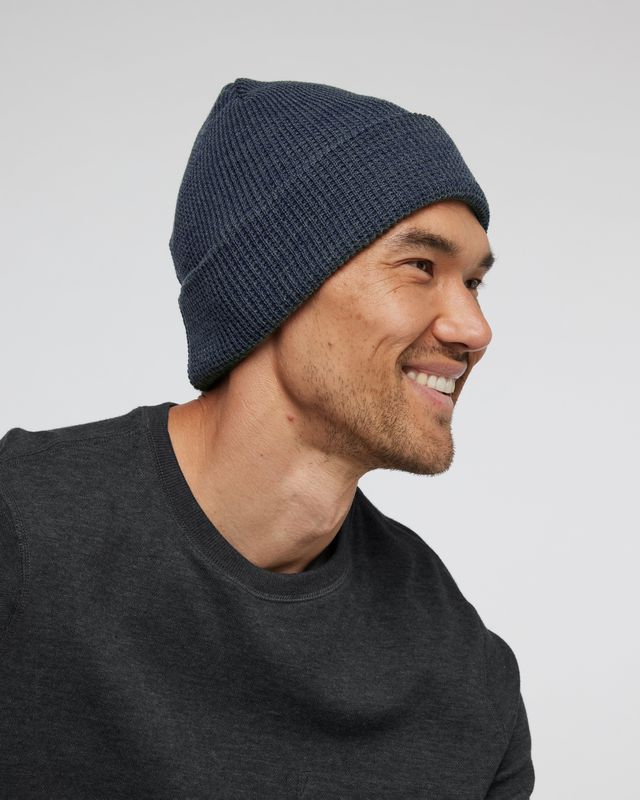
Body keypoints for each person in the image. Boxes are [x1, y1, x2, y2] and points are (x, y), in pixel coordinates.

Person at [0, 78, 534, 798]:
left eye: (474, 284)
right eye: (420, 268)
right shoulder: (23, 532)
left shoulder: (464, 674)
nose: (475, 328)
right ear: (273, 287)